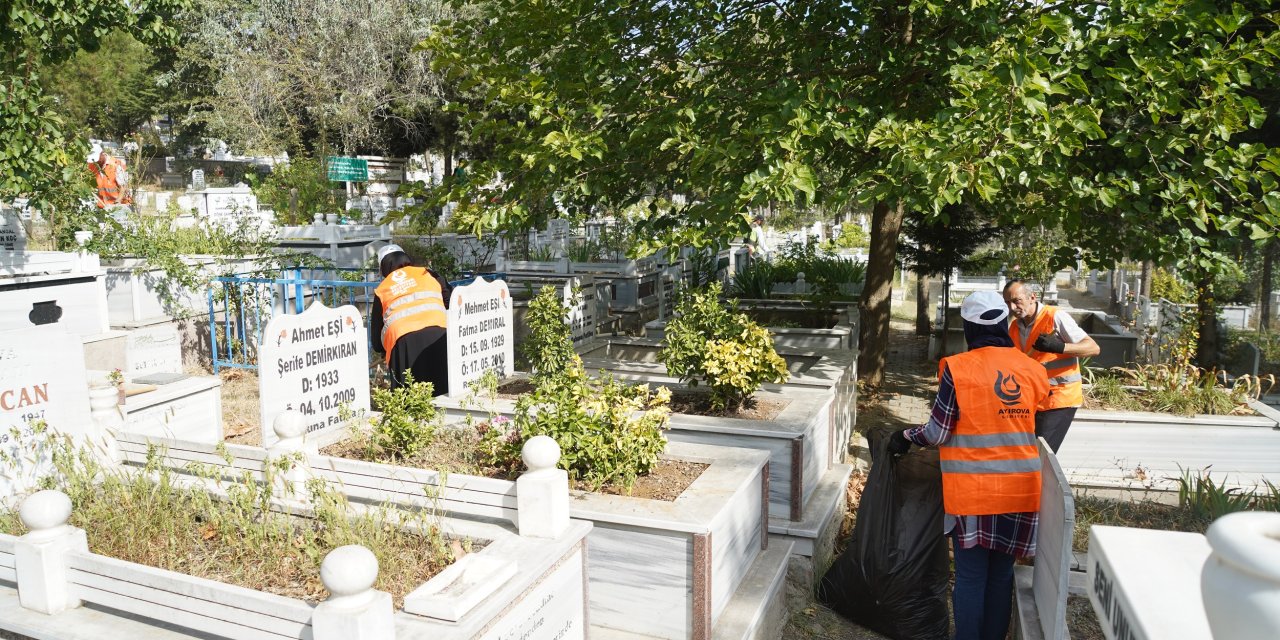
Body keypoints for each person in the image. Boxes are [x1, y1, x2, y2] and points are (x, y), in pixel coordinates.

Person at [888, 290, 1051, 640]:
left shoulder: (959, 370)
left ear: (969, 327)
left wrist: (905, 436)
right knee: (1001, 575)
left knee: (972, 577)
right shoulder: (1034, 370)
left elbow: (937, 431)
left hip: (976, 493)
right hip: (1021, 491)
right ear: (1003, 323)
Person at [1002, 278, 1100, 452]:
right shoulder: (1015, 327)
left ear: (1032, 297)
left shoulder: (1055, 317)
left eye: (1016, 301)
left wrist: (1060, 347)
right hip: (1033, 401)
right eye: (1007, 303)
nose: (1011, 308)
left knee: (1041, 456)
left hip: (1059, 400)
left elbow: (1093, 348)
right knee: (1029, 455)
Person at [370, 244, 453, 394]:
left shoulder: (383, 289)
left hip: (403, 345)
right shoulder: (427, 273)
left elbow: (376, 339)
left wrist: (383, 350)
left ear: (383, 267)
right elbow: (449, 300)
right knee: (443, 391)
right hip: (439, 335)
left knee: (410, 398)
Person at [86, 145, 132, 210]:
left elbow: (123, 187)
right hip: (103, 206)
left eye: (97, 159)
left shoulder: (116, 165)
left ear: (102, 154)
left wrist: (116, 204)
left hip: (120, 205)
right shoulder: (92, 165)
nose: (96, 162)